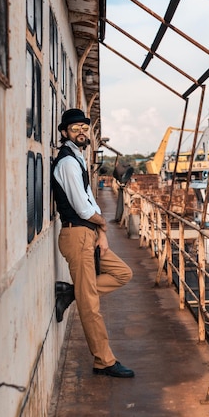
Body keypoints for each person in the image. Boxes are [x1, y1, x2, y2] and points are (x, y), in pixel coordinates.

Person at [52, 108, 135, 378]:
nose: (81, 132)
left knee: (123, 273)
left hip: (89, 234)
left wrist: (102, 233)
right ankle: (104, 361)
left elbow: (91, 200)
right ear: (65, 133)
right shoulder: (66, 163)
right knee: (91, 306)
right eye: (75, 128)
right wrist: (100, 225)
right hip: (76, 235)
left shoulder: (78, 158)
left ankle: (71, 293)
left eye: (84, 128)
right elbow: (83, 209)